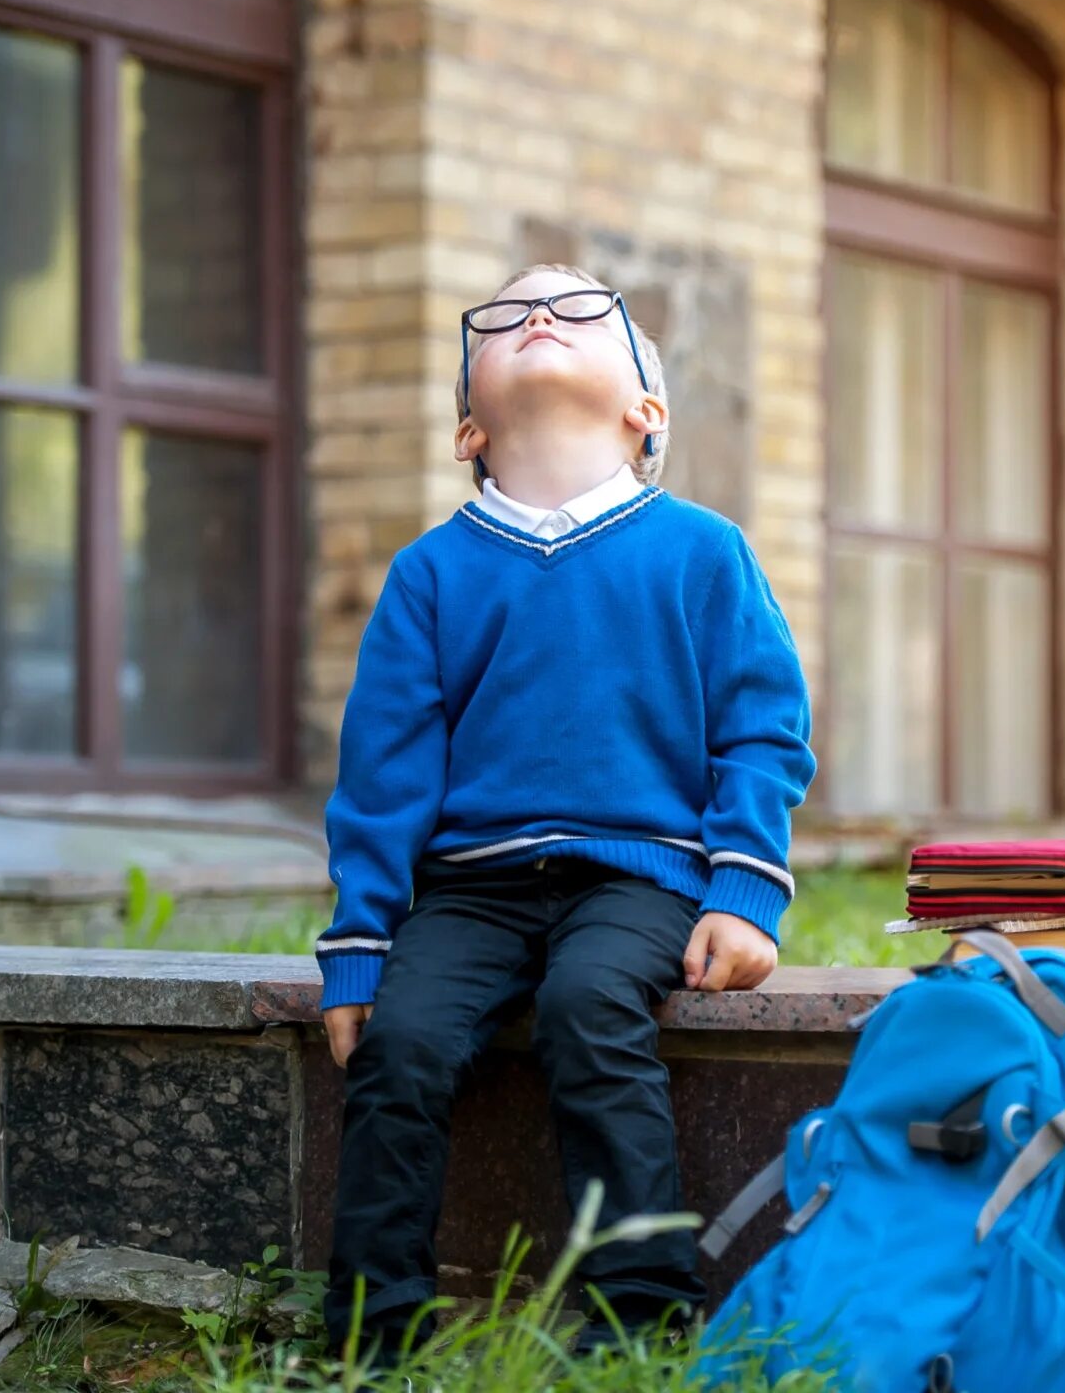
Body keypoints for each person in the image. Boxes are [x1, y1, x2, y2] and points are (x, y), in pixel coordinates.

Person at [313, 263, 817, 1362]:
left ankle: (640, 1317)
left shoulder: (703, 552)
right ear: (466, 427)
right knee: (399, 1045)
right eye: (503, 315)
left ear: (648, 411)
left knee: (590, 1007)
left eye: (585, 309)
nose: (539, 314)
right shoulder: (430, 575)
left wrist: (742, 892)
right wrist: (359, 950)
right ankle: (368, 1331)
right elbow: (383, 776)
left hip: (639, 876)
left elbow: (761, 732)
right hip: (471, 887)